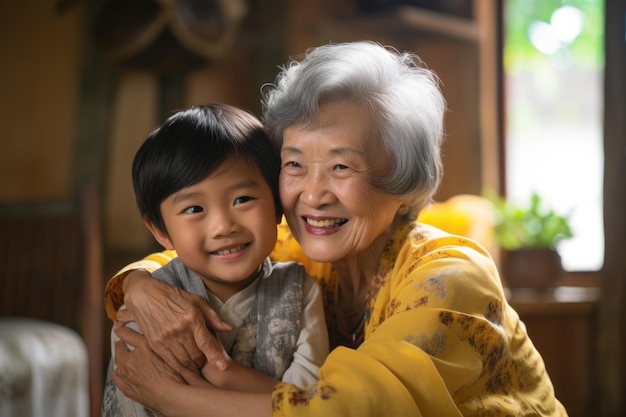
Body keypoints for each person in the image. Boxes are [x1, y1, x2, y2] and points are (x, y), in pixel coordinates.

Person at [106, 41, 567, 416]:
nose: (313, 194)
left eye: (341, 166)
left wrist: (168, 398)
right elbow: (180, 256)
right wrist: (141, 287)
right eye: (294, 163)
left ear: (402, 181)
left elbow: (353, 410)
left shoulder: (451, 274)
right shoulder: (294, 248)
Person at [101, 103, 328, 416]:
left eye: (242, 199)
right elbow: (134, 397)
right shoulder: (148, 310)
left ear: (277, 205)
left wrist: (218, 371)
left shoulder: (301, 291)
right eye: (194, 209)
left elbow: (310, 404)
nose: (224, 226)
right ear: (160, 231)